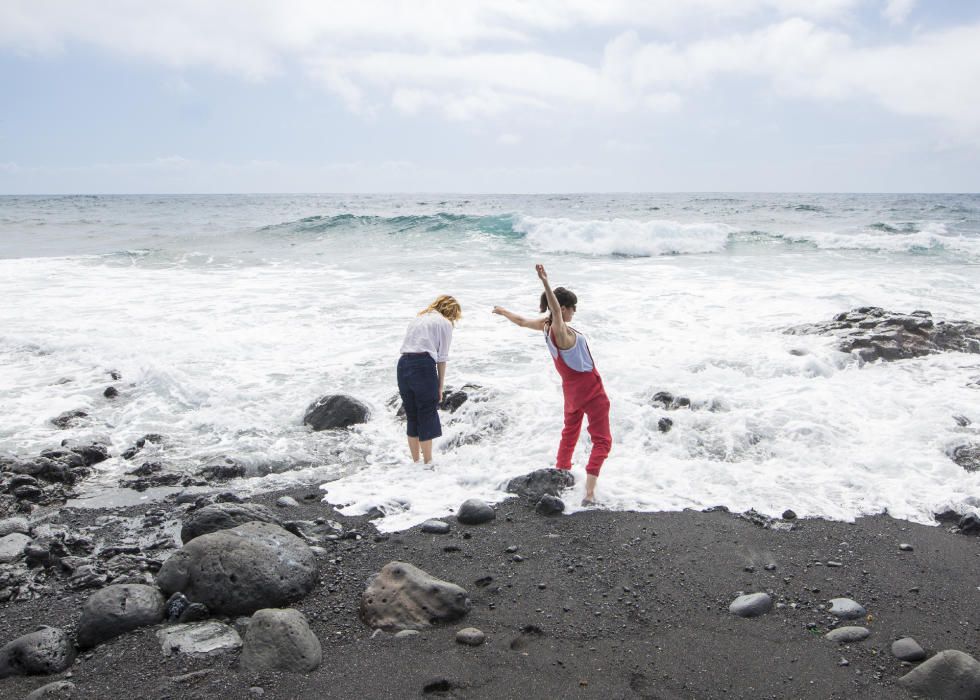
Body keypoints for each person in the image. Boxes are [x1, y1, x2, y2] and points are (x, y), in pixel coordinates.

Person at [493, 264, 611, 505]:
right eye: (572, 308)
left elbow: (521, 321)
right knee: (602, 441)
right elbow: (555, 311)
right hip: (590, 388)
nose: (574, 312)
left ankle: (561, 474)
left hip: (571, 391)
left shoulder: (544, 327)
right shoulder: (560, 330)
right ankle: (589, 493)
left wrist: (503, 311)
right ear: (563, 308)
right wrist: (545, 282)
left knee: (569, 434)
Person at [397, 295, 462, 465]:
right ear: (451, 311)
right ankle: (428, 463)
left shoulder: (418, 319)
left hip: (403, 364)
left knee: (412, 415)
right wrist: (440, 386)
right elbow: (442, 358)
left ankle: (416, 462)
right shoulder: (444, 323)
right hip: (423, 365)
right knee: (426, 413)